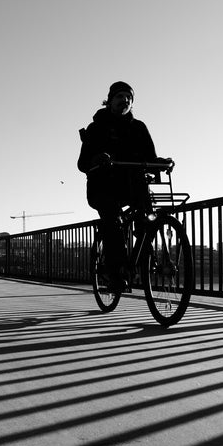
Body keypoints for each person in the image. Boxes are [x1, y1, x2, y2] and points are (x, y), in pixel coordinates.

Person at [78, 81, 162, 292]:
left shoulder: (139, 128)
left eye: (129, 98)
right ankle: (115, 273)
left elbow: (150, 158)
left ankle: (145, 257)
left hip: (131, 186)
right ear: (109, 100)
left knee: (147, 215)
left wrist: (162, 162)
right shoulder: (96, 128)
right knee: (113, 221)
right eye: (120, 97)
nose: (124, 100)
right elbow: (82, 163)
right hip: (102, 188)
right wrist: (97, 158)